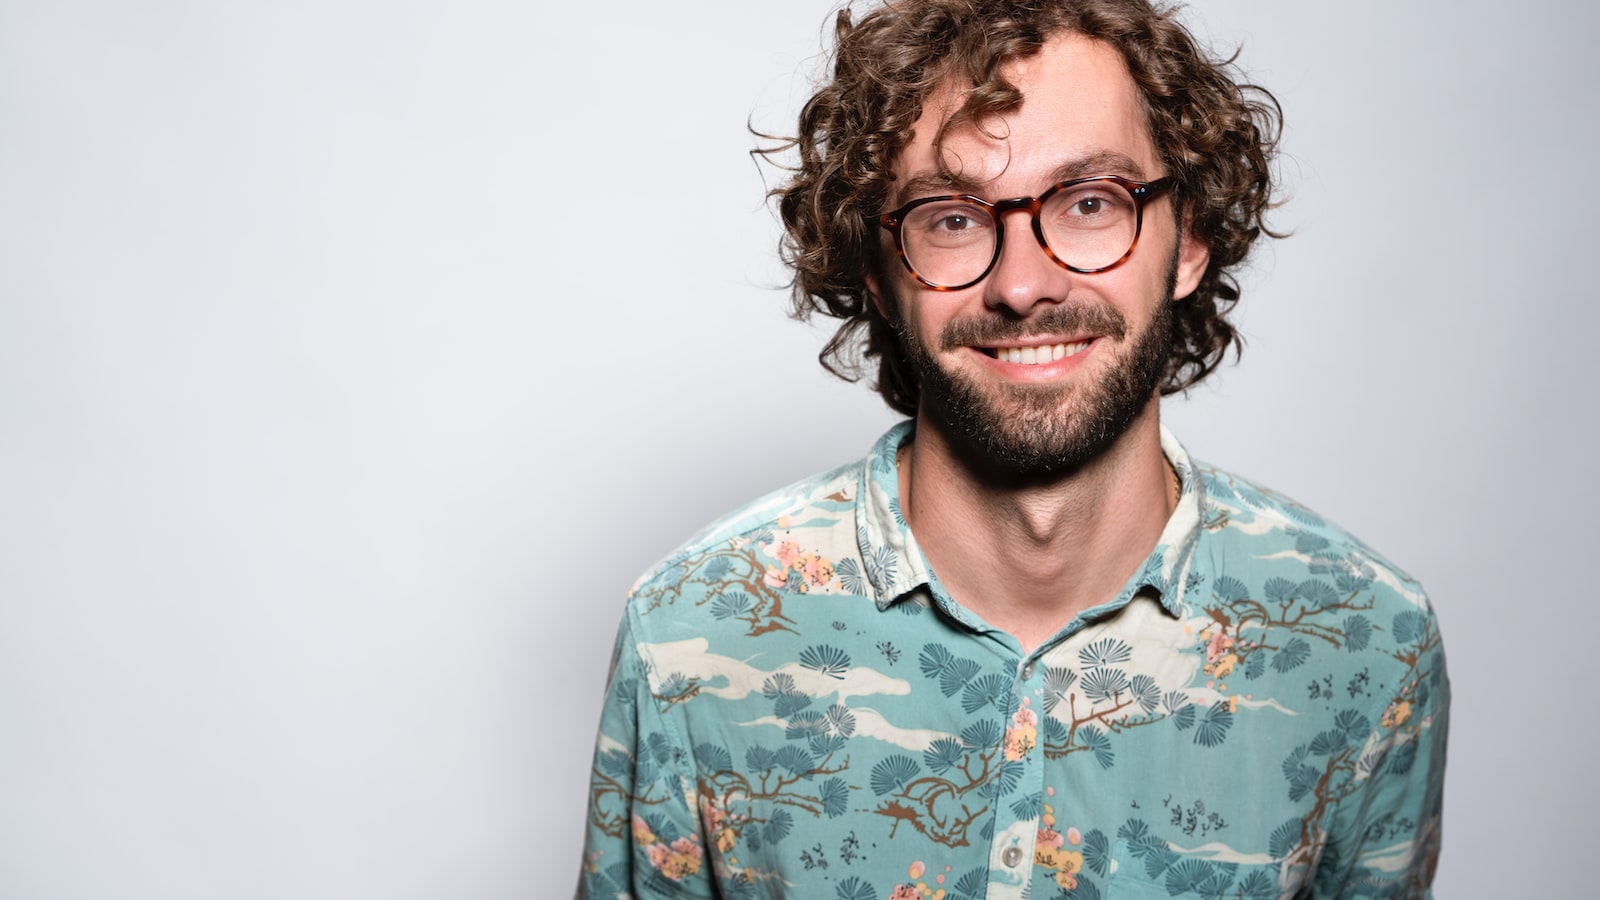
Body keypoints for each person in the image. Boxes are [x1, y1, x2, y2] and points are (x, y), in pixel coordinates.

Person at [578, 0, 1448, 896]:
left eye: (1090, 202)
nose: (1024, 285)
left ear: (1189, 239)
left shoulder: (1368, 646)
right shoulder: (688, 637)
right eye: (953, 218)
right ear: (877, 270)